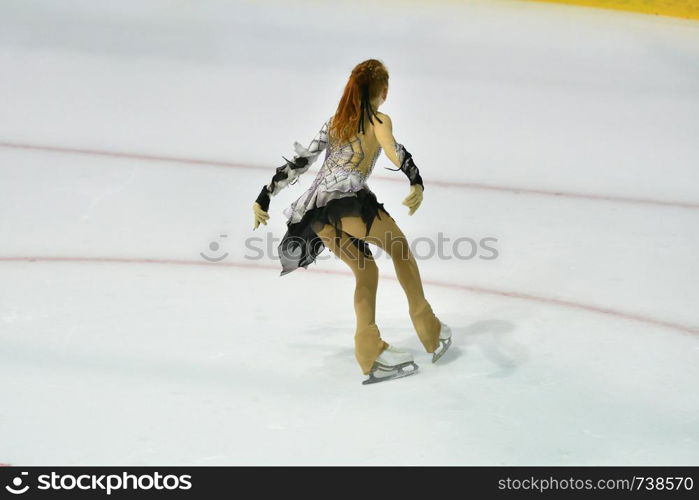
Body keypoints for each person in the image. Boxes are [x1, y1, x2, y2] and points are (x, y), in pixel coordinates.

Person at [252, 58, 451, 384]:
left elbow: (300, 162)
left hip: (316, 215)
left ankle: (369, 352)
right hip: (348, 204)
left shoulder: (335, 122)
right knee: (400, 249)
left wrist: (265, 195)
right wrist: (415, 179)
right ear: (383, 92)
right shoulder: (378, 119)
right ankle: (430, 329)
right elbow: (392, 149)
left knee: (365, 270)